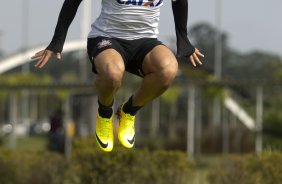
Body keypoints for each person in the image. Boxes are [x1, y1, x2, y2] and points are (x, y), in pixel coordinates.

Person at [31, 0, 204, 152]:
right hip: (106, 37)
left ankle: (128, 111)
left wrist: (184, 40)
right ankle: (105, 114)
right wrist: (57, 42)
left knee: (168, 69)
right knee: (113, 73)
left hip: (145, 41)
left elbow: (180, 1)